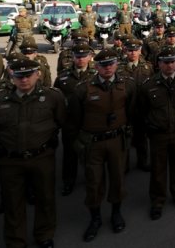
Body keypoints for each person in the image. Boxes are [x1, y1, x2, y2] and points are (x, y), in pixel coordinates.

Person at [0, 58, 66, 248]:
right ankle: (16, 240)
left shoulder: (52, 97)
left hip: (42, 157)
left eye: (28, 75)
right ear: (12, 77)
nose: (24, 80)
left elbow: (62, 122)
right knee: (12, 202)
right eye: (19, 76)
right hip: (10, 160)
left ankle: (44, 234)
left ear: (37, 74)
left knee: (45, 198)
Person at [69, 49, 136, 242]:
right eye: (103, 65)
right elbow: (74, 119)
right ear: (96, 66)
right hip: (93, 143)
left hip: (117, 140)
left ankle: (116, 213)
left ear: (116, 64)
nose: (108, 68)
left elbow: (132, 111)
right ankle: (95, 218)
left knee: (118, 178)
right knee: (94, 181)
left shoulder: (127, 85)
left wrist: (127, 133)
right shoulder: (83, 88)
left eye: (111, 64)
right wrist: (79, 142)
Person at [137, 47, 175, 220]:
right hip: (159, 134)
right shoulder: (149, 85)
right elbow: (142, 110)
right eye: (165, 62)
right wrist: (150, 127)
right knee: (158, 168)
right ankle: (157, 200)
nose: (170, 65)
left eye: (172, 61)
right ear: (159, 64)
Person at [54, 43, 95, 196]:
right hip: (70, 122)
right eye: (78, 57)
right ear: (72, 58)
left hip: (90, 120)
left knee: (91, 153)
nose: (81, 60)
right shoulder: (63, 77)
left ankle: (92, 179)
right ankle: (68, 181)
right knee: (69, 154)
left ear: (90, 57)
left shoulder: (95, 75)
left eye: (84, 56)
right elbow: (56, 99)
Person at [117, 38, 154, 172]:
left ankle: (142, 161)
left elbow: (152, 87)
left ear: (140, 51)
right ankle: (124, 164)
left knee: (142, 136)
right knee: (125, 138)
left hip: (142, 107)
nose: (133, 53)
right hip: (125, 108)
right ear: (125, 51)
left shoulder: (148, 67)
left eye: (136, 50)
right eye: (130, 50)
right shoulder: (119, 68)